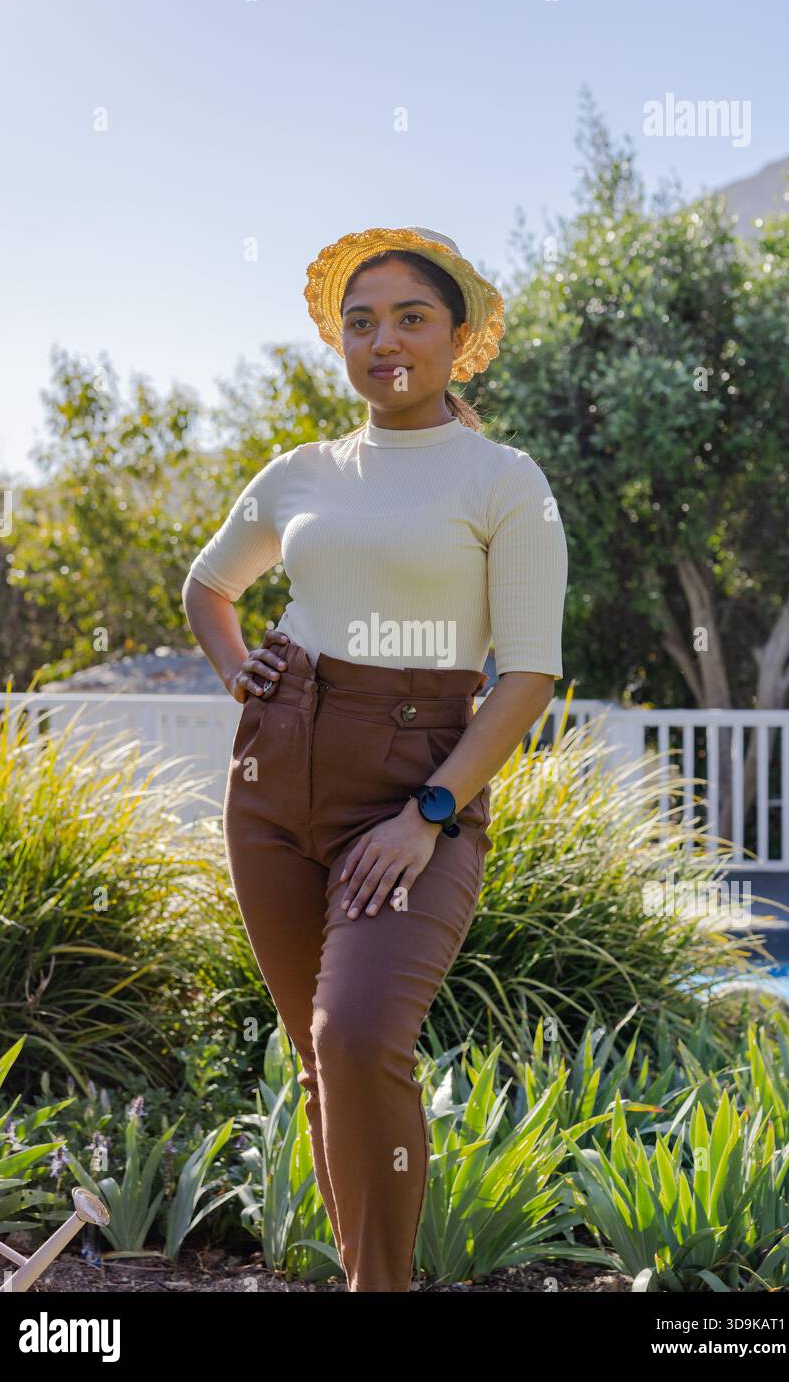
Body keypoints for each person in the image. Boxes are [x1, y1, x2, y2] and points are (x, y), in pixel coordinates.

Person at [182, 225, 568, 1292]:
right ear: (339, 343)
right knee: (318, 1057)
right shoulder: (302, 471)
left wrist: (429, 812)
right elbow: (208, 587)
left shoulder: (505, 480)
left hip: (414, 781)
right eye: (362, 323)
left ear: (459, 338)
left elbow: (527, 674)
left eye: (410, 318)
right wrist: (237, 671)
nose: (383, 340)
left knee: (356, 1035)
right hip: (274, 776)